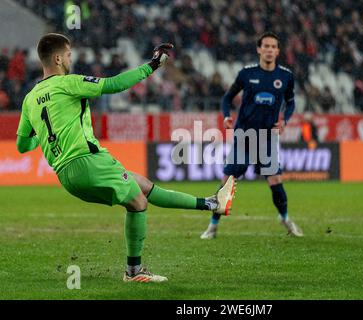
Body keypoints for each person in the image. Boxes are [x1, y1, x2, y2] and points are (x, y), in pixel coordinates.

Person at [15, 33, 236, 283]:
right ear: (57, 58)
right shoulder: (68, 83)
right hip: (89, 161)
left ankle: (211, 203)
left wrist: (44, 137)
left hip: (67, 176)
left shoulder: (29, 99)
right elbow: (113, 84)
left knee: (142, 184)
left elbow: (23, 145)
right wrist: (152, 65)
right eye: (67, 55)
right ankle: (134, 272)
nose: (69, 59)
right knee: (138, 202)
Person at [200, 32, 303, 239]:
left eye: (274, 46)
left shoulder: (285, 76)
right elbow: (227, 98)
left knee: (275, 181)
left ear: (278, 51)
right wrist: (227, 116)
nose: (269, 50)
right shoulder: (246, 74)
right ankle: (212, 225)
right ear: (259, 49)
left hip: (267, 138)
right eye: (266, 46)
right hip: (244, 136)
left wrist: (285, 120)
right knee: (228, 181)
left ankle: (285, 218)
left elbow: (291, 102)